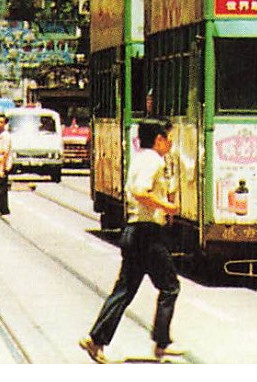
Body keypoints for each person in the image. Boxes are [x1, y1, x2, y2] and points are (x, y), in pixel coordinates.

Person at [79, 121, 181, 363]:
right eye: (168, 139)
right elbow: (140, 191)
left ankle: (96, 340)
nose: (170, 143)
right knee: (169, 287)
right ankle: (161, 344)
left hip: (134, 231)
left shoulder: (140, 158)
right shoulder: (153, 161)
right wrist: (168, 206)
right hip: (147, 235)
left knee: (126, 289)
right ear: (158, 139)